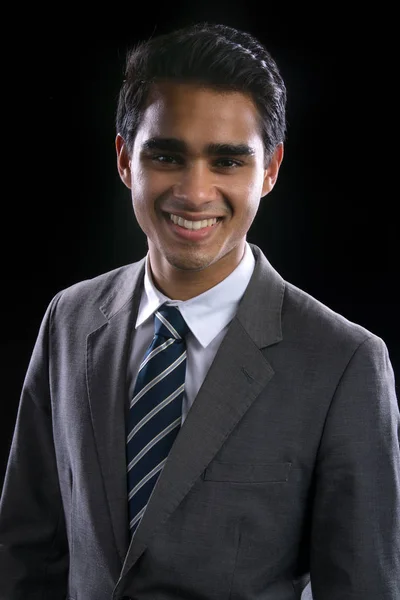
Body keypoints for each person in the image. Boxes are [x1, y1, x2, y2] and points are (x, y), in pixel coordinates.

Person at [0, 21, 399, 600]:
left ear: (270, 170)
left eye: (227, 162)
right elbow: (25, 550)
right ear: (124, 159)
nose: (194, 191)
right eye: (166, 155)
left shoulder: (345, 364)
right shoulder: (70, 319)